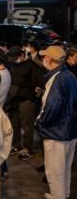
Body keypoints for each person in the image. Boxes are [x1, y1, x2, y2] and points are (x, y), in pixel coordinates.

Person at [35, 46, 77, 199]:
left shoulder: (57, 79)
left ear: (49, 59)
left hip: (56, 133)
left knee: (55, 173)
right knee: (64, 170)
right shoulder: (70, 75)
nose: (43, 59)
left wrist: (40, 123)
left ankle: (58, 196)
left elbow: (51, 107)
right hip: (70, 131)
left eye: (44, 56)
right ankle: (62, 195)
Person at [5, 46, 37, 160]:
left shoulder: (31, 65)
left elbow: (36, 83)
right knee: (14, 124)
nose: (13, 61)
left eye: (15, 58)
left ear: (22, 56)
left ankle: (28, 149)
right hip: (13, 99)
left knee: (27, 126)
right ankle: (16, 145)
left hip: (26, 99)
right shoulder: (11, 63)